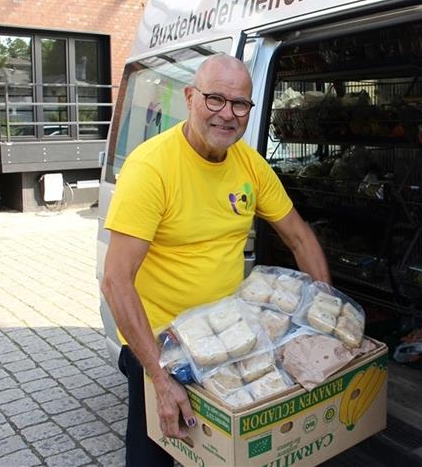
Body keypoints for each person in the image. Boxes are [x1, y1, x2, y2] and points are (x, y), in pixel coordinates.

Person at [101, 54, 330, 466]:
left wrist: (325, 315)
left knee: (226, 450)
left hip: (229, 336)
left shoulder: (250, 165)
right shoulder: (151, 168)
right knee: (156, 448)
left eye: (240, 103)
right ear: (189, 97)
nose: (227, 114)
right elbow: (116, 280)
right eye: (215, 99)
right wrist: (159, 375)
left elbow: (300, 237)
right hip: (163, 344)